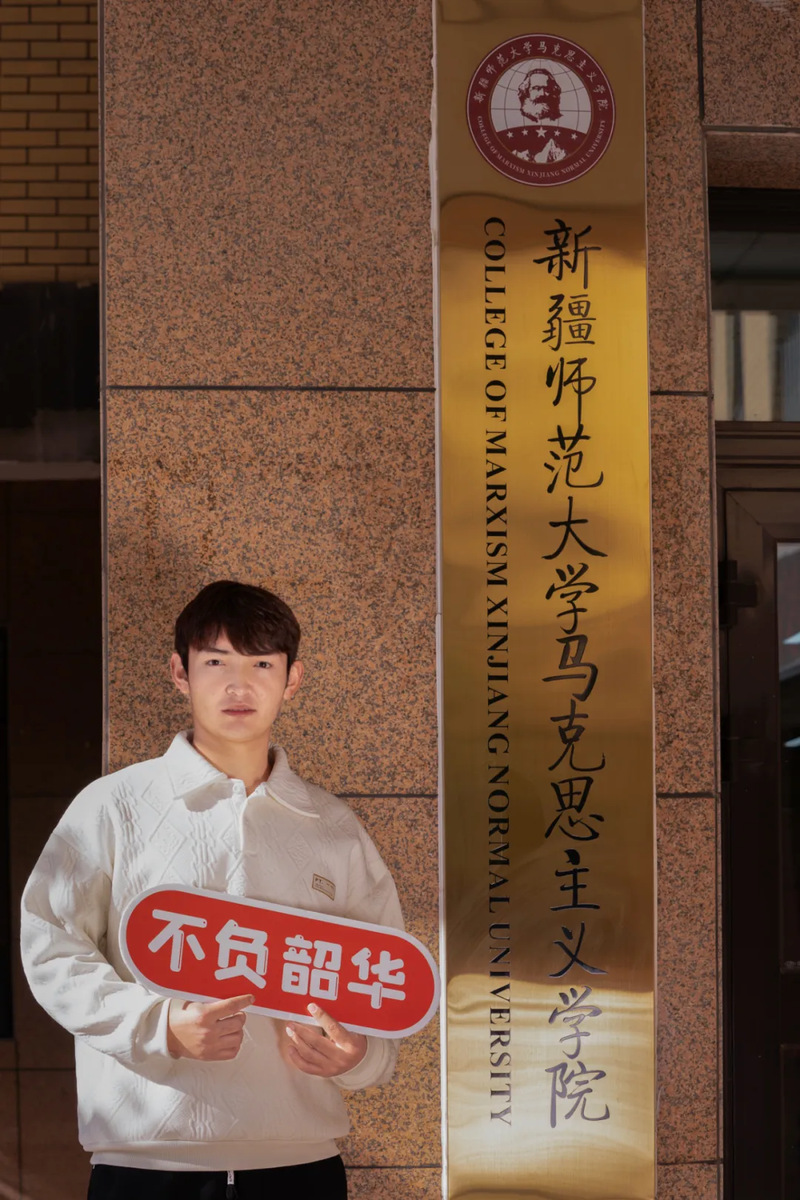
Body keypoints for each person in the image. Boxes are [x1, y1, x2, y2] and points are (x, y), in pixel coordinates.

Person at [20, 580, 404, 1200]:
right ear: (181, 672)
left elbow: (388, 973)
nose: (238, 685)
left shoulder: (332, 826)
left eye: (261, 665)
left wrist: (359, 1057)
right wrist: (158, 1026)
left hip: (301, 1163)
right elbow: (50, 946)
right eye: (216, 662)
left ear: (293, 679)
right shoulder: (114, 805)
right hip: (145, 1165)